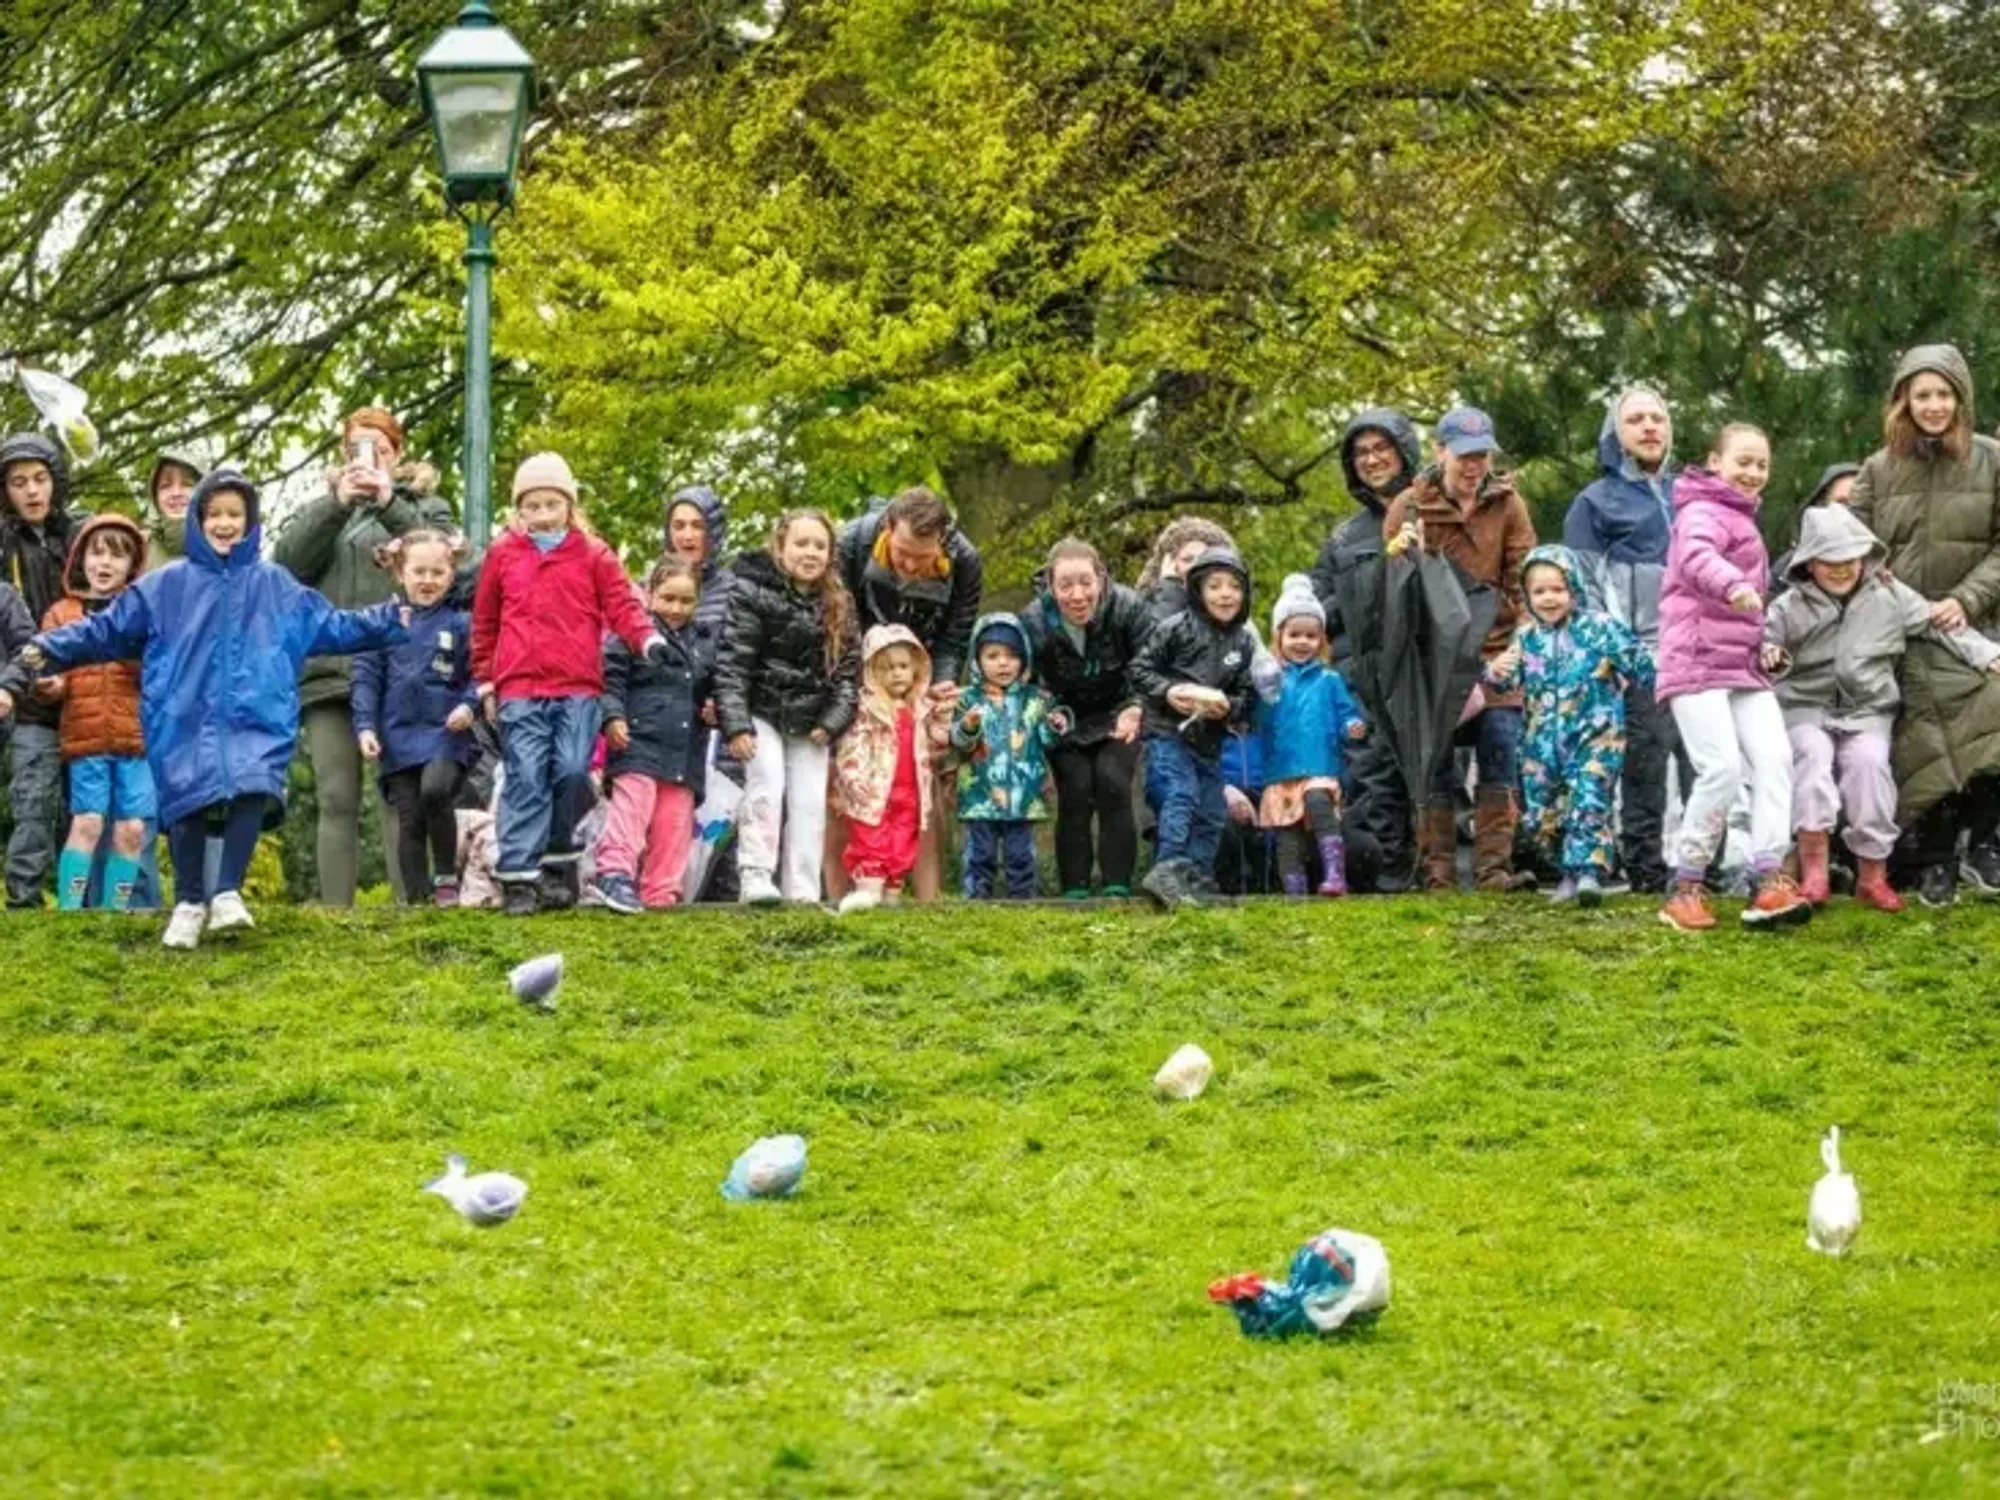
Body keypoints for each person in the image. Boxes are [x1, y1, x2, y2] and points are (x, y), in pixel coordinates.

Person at [15, 470, 407, 948]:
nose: (224, 523)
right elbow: (106, 629)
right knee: (188, 803)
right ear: (200, 520)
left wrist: (390, 618)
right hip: (183, 715)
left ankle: (226, 892)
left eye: (234, 515)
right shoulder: (165, 586)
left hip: (255, 714)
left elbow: (333, 626)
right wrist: (51, 647)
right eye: (215, 514)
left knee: (252, 788)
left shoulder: (275, 586)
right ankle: (189, 900)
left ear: (249, 521)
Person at [1763, 505, 2000, 913]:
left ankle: (1873, 873)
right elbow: (1762, 644)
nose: (1841, 569)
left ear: (1865, 557)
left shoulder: (1889, 595)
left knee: (1870, 769)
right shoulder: (1789, 606)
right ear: (1809, 563)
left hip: (1868, 710)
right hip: (1805, 707)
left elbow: (1937, 622)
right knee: (1813, 762)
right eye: (1829, 561)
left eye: (1850, 559)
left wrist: (1988, 654)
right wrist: (1769, 654)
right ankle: (1814, 868)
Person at [471, 453, 668, 916]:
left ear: (568, 505)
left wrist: (647, 639)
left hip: (578, 685)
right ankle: (519, 876)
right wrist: (485, 682)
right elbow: (485, 622)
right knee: (525, 775)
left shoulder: (593, 554)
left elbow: (621, 603)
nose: (541, 515)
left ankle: (558, 860)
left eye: (550, 505)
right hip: (519, 685)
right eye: (531, 506)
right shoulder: (503, 554)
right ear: (519, 510)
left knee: (573, 771)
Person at [274, 407, 453, 905]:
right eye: (357, 448)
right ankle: (337, 916)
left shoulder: (425, 505)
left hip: (404, 672)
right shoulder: (323, 508)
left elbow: (443, 557)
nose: (369, 458)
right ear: (343, 454)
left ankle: (409, 908)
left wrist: (390, 502)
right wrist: (337, 505)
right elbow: (287, 567)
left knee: (401, 795)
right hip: (330, 671)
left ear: (397, 454)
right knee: (336, 796)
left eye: (381, 448)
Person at [1848, 344, 2000, 906]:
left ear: (1961, 398)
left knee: (1989, 734)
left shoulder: (1992, 459)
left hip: (1976, 627)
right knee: (1923, 744)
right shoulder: (1876, 469)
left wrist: (1968, 598)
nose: (1934, 405)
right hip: (1906, 632)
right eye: (1922, 394)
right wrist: (1896, 599)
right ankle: (1935, 859)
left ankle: (1983, 847)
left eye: (1943, 394)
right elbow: (1852, 546)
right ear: (1903, 401)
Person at [1654, 425, 1809, 931]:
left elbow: (1745, 611)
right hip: (1695, 659)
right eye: (1743, 461)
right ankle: (1686, 887)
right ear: (1714, 462)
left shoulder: (1742, 518)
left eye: (1762, 465)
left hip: (1740, 665)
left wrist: (1762, 642)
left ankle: (1769, 878)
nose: (1753, 473)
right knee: (1719, 768)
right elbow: (1698, 559)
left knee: (1775, 758)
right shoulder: (1699, 512)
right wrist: (1734, 585)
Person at [1383, 407, 1536, 892]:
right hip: (1436, 660)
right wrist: (1403, 555)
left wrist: (1520, 643)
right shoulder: (1408, 506)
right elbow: (1393, 599)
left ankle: (1494, 872)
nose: (1474, 467)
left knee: (1502, 746)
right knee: (1437, 760)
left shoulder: (1509, 505)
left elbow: (1526, 579)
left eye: (1482, 456)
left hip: (1496, 650)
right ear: (1440, 451)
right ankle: (1438, 874)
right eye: (1465, 456)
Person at [830, 487, 982, 901]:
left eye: (923, 556)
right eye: (903, 553)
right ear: (887, 527)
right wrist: (856, 689)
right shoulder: (850, 545)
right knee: (844, 787)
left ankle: (928, 901)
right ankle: (837, 898)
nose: (911, 565)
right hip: (857, 672)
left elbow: (955, 634)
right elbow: (836, 621)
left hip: (919, 671)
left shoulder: (964, 561)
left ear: (943, 541)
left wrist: (941, 687)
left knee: (920, 784)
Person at [1482, 545, 1653, 907]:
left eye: (1557, 589)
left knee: (1589, 797)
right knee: (1544, 809)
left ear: (1573, 588)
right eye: (1539, 591)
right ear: (1527, 596)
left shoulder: (1600, 628)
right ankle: (1567, 874)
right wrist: (1494, 672)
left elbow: (1640, 664)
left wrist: (1664, 671)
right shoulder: (1527, 639)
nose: (1549, 599)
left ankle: (1589, 873)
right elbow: (1505, 682)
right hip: (1540, 744)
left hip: (1596, 736)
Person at [1563, 387, 1683, 892]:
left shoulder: (1690, 494)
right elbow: (1582, 586)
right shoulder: (1594, 502)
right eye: (1636, 419)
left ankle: (1706, 865)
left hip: (1694, 650)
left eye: (1658, 418)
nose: (1650, 427)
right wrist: (1615, 652)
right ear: (1617, 433)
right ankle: (1646, 869)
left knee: (1703, 761)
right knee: (1645, 761)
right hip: (1633, 654)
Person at [5, 516, 154, 909]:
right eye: (97, 553)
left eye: (117, 556)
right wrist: (51, 686)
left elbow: (155, 671)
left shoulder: (143, 612)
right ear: (80, 559)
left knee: (133, 829)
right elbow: (50, 673)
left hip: (136, 741)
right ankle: (71, 914)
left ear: (133, 566)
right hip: (85, 741)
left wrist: (127, 644)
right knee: (87, 823)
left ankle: (113, 913)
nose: (105, 564)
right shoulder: (62, 613)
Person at [716, 509, 860, 905]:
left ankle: (803, 890)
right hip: (761, 712)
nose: (810, 552)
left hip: (812, 721)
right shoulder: (751, 593)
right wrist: (736, 725)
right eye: (801, 543)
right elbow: (732, 664)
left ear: (830, 554)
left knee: (810, 802)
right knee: (767, 782)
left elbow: (849, 675)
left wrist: (832, 722)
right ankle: (756, 875)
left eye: (819, 545)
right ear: (780, 548)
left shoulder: (840, 604)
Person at [1312, 410, 1422, 891]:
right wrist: (1374, 579)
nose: (1373, 460)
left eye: (1382, 448)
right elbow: (1315, 612)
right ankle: (1389, 874)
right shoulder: (1342, 537)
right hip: (1360, 670)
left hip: (1422, 665)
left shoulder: (1434, 513)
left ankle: (1441, 870)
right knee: (1373, 772)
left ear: (1404, 451)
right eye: (1361, 453)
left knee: (1430, 771)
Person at [352, 531, 478, 908]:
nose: (427, 580)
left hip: (445, 732)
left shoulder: (460, 624)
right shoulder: (383, 623)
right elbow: (365, 678)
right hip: (397, 736)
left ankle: (445, 878)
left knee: (436, 791)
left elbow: (479, 671)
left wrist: (469, 705)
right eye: (418, 571)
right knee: (409, 817)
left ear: (451, 575)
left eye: (437, 572)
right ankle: (417, 899)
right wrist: (365, 727)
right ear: (400, 574)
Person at [1020, 538, 1151, 898]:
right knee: (1075, 786)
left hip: (1120, 711)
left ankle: (1117, 885)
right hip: (1065, 716)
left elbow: (1152, 664)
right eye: (1065, 585)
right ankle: (1074, 888)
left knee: (1111, 780)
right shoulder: (1032, 621)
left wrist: (1136, 706)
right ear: (1050, 584)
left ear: (1101, 579)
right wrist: (1046, 712)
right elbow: (1025, 680)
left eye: (1085, 583)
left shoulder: (1129, 608)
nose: (1077, 595)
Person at [1131, 546, 1258, 908]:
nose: (1226, 594)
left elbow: (1245, 697)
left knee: (1212, 811)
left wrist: (1226, 708)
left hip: (1210, 742)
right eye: (1215, 586)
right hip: (1167, 733)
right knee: (1180, 794)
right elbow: (1140, 671)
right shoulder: (1175, 629)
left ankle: (1197, 877)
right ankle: (1168, 867)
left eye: (1234, 586)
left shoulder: (1244, 642)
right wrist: (1170, 691)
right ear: (1198, 591)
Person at [588, 556, 713, 914]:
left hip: (684, 750)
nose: (676, 608)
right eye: (668, 598)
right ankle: (614, 873)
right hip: (637, 741)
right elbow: (609, 682)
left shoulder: (705, 642)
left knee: (674, 825)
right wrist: (612, 717)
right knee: (631, 811)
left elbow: (714, 687)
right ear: (650, 594)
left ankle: (661, 894)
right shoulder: (630, 634)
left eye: (686, 600)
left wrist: (714, 708)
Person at [0, 432, 81, 906]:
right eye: (18, 482)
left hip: (83, 690)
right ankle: (23, 900)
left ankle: (84, 902)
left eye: (39, 479)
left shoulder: (80, 536)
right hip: (26, 696)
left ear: (55, 482)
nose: (31, 491)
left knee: (85, 804)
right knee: (32, 798)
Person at [1255, 575, 1367, 898]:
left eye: (1311, 636)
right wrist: (1264, 696)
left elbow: (1346, 712)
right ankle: (1294, 890)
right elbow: (1259, 721)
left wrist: (1352, 726)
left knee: (1319, 802)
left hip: (1320, 765)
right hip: (1282, 769)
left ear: (1322, 640)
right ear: (1278, 637)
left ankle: (1335, 874)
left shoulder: (1330, 680)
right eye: (1294, 634)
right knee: (1288, 834)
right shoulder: (1272, 679)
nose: (1302, 642)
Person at [948, 613, 1069, 900]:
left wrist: (1055, 725)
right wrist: (967, 728)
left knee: (1020, 854)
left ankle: (1023, 901)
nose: (1003, 663)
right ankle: (977, 900)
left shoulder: (1037, 699)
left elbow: (1047, 740)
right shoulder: (967, 700)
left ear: (1024, 659)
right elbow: (958, 743)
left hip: (1024, 795)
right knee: (981, 853)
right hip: (980, 795)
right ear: (977, 660)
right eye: (992, 655)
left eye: (1012, 655)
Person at [661, 483, 741, 903]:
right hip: (671, 721)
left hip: (721, 723)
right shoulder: (656, 584)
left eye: (696, 525)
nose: (687, 535)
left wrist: (722, 702)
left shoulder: (734, 589)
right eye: (679, 525)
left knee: (725, 817)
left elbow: (738, 654)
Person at [833, 624, 945, 914]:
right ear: (872, 672)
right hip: (873, 792)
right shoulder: (867, 709)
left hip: (910, 794)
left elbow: (937, 740)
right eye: (887, 668)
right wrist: (853, 779)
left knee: (902, 842)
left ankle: (892, 895)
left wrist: (951, 723)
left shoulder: (920, 708)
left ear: (916, 669)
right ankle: (867, 891)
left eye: (903, 666)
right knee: (870, 840)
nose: (897, 673)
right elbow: (852, 746)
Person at [1770, 463, 1860, 595]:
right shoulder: (1787, 569)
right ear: (1822, 506)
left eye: (1858, 503)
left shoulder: (1890, 563)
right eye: (1842, 503)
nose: (1850, 511)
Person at [1138, 517, 1233, 620]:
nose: (1195, 566)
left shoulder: (1233, 616)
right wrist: (1170, 593)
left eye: (1204, 558)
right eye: (1187, 559)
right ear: (1169, 564)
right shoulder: (1142, 610)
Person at [142, 445, 207, 574]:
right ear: (155, 497)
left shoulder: (225, 544)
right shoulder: (138, 545)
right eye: (165, 486)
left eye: (187, 484)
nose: (176, 493)